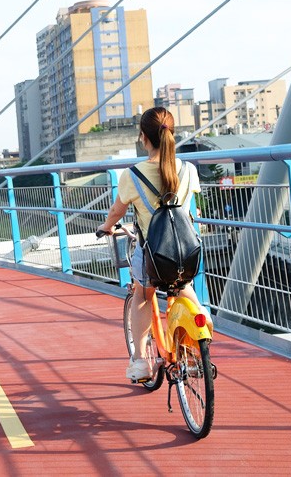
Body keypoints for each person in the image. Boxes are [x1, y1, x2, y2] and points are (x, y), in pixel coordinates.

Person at [97, 107, 202, 381]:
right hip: (185, 253)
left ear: (143, 137)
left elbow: (117, 212)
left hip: (153, 255)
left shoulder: (132, 175)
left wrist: (106, 227)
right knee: (183, 288)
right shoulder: (189, 170)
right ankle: (201, 333)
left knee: (143, 297)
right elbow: (190, 208)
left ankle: (141, 361)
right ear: (172, 134)